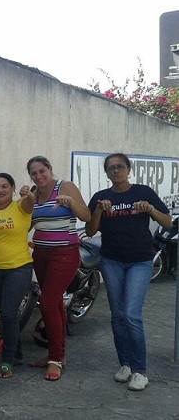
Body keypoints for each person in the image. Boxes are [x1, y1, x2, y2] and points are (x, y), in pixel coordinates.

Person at [85, 153, 171, 391]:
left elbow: (168, 222)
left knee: (132, 315)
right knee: (118, 315)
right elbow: (90, 231)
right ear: (107, 172)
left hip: (140, 262)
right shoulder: (101, 197)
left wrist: (150, 209)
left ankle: (140, 370)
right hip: (111, 260)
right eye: (111, 168)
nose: (116, 171)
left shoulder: (143, 191)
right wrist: (100, 211)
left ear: (128, 169)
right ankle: (124, 364)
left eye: (120, 167)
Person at [27, 156, 91, 381]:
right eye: (34, 173)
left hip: (64, 253)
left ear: (50, 169)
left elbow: (87, 215)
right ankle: (57, 354)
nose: (38, 176)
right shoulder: (34, 194)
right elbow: (28, 224)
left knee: (46, 303)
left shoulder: (65, 186)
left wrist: (70, 203)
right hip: (41, 254)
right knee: (54, 304)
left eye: (42, 171)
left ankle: (55, 359)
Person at [0, 173, 34, 379]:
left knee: (7, 313)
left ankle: (7, 360)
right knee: (8, 315)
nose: (1, 190)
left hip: (18, 267)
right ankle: (18, 353)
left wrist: (28, 194)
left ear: (12, 188)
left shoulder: (21, 206)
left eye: (5, 186)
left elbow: (32, 202)